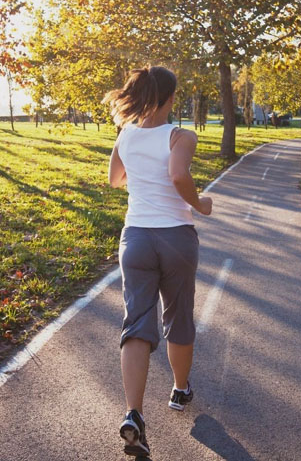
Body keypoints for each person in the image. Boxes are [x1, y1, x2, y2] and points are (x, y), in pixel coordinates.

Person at [103, 65, 213, 457]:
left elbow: (115, 179)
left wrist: (141, 174)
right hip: (176, 238)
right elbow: (178, 174)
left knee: (137, 324)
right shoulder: (181, 136)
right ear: (169, 98)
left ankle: (134, 414)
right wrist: (200, 204)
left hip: (135, 239)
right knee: (178, 316)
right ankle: (180, 391)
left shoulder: (126, 135)